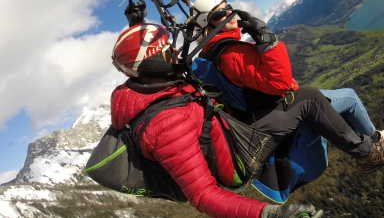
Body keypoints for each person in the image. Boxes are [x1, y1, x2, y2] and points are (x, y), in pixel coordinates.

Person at [110, 21, 323, 218]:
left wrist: (135, 21)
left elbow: (140, 60)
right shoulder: (166, 125)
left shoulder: (148, 87)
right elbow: (203, 195)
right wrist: (270, 214)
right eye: (167, 51)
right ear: (154, 64)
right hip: (238, 161)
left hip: (225, 130)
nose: (175, 51)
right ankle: (352, 147)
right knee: (308, 99)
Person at [191, 0, 384, 173]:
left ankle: (375, 139)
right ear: (208, 23)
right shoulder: (230, 54)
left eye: (228, 6)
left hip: (269, 106)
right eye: (220, 13)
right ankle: (368, 152)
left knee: (349, 97)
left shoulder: (219, 50)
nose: (229, 12)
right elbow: (280, 83)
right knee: (315, 97)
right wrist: (269, 41)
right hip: (273, 109)